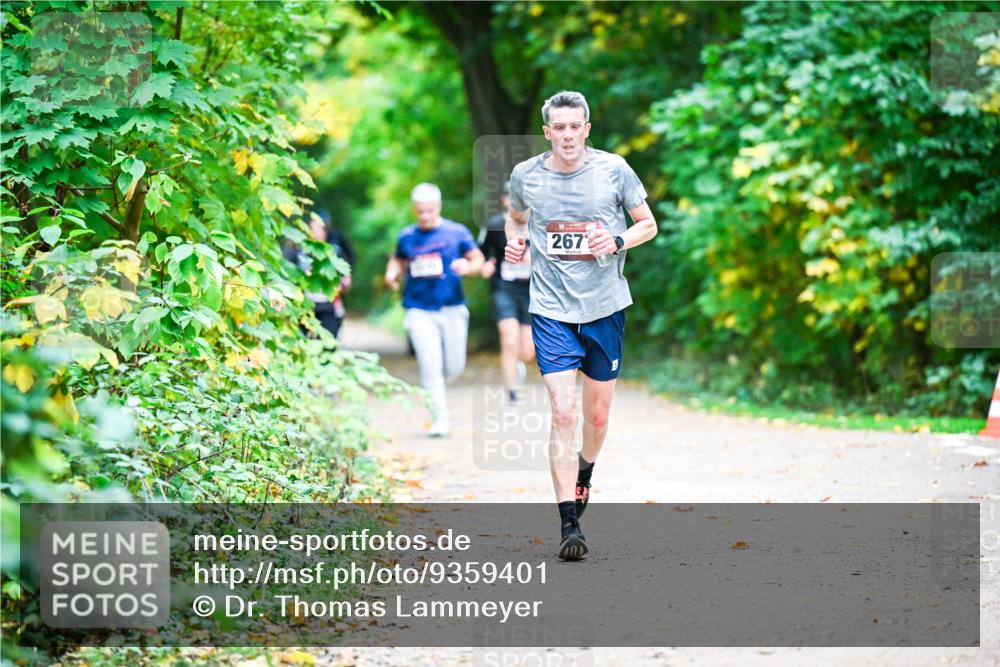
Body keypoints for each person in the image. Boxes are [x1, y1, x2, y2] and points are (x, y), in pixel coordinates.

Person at [503, 91, 658, 560]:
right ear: (547, 131)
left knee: (596, 417)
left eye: (576, 127)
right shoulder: (526, 175)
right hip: (550, 309)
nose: (568, 135)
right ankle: (569, 523)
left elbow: (647, 224)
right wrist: (516, 245)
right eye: (559, 128)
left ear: (586, 129)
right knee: (564, 412)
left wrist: (614, 240)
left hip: (605, 307)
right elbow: (515, 220)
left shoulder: (614, 170)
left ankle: (584, 472)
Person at [385, 183, 485, 438]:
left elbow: (478, 260)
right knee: (430, 365)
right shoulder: (407, 236)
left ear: (438, 207)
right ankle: (440, 418)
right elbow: (398, 259)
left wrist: (468, 266)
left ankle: (436, 387)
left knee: (454, 366)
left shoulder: (457, 232)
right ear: (414, 210)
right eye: (420, 211)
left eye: (429, 211)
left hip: (452, 306)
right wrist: (392, 272)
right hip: (419, 309)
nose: (425, 216)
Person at [478, 181, 535, 405]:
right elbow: (479, 254)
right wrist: (484, 266)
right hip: (504, 288)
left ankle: (517, 364)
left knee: (528, 351)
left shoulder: (540, 224)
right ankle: (512, 392)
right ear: (504, 200)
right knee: (509, 339)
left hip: (531, 291)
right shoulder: (493, 225)